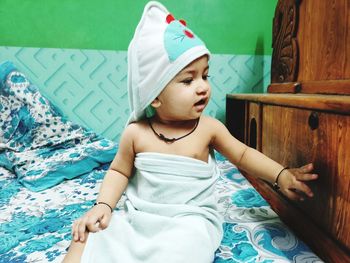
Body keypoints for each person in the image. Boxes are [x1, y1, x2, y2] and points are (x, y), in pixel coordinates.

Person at [63, 1, 318, 262]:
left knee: (184, 248)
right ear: (154, 96)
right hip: (141, 218)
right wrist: (103, 206)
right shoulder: (136, 133)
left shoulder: (208, 128)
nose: (202, 87)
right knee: (87, 236)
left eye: (205, 76)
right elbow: (118, 171)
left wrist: (281, 175)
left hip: (189, 220)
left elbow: (242, 154)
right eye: (188, 80)